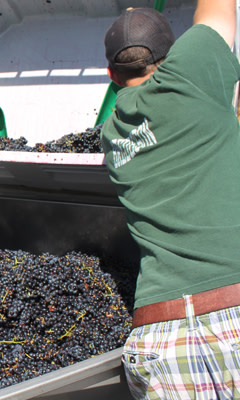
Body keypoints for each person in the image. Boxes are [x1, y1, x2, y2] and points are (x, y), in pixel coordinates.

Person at [101, 1, 240, 398]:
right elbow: (219, 10)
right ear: (173, 54)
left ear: (111, 75)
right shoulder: (191, 71)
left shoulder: (110, 135)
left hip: (157, 342)